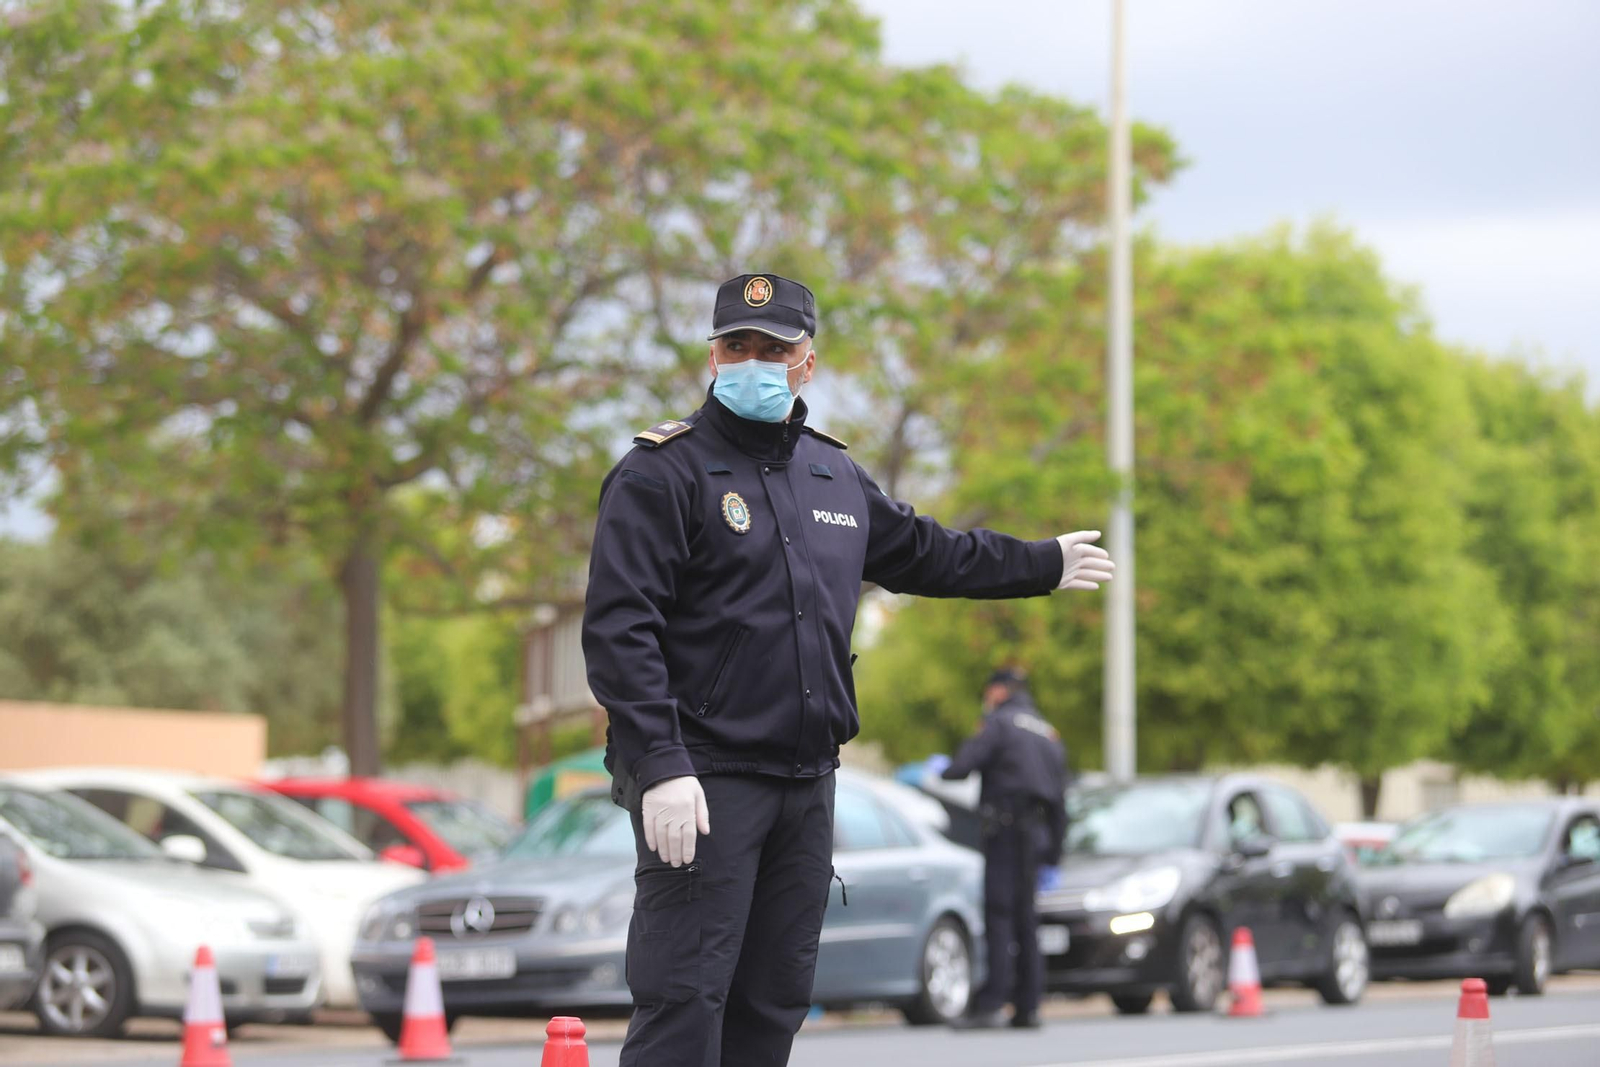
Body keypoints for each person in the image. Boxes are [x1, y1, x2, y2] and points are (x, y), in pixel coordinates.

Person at [581, 272, 1113, 1066]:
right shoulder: (663, 472)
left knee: (773, 1002)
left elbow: (931, 551)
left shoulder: (832, 475)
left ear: (808, 362)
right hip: (702, 784)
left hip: (805, 782)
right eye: (737, 346)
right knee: (685, 999)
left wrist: (1037, 562)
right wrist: (659, 761)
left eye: (774, 348)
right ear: (713, 354)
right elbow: (620, 628)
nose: (752, 361)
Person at [940, 667, 1069, 1030]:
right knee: (1026, 919)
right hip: (1036, 834)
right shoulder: (1047, 732)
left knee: (999, 915)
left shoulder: (999, 723)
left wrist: (943, 768)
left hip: (1005, 832)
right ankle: (1029, 1006)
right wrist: (1054, 854)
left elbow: (960, 768)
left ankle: (991, 1002)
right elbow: (1061, 801)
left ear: (998, 691)